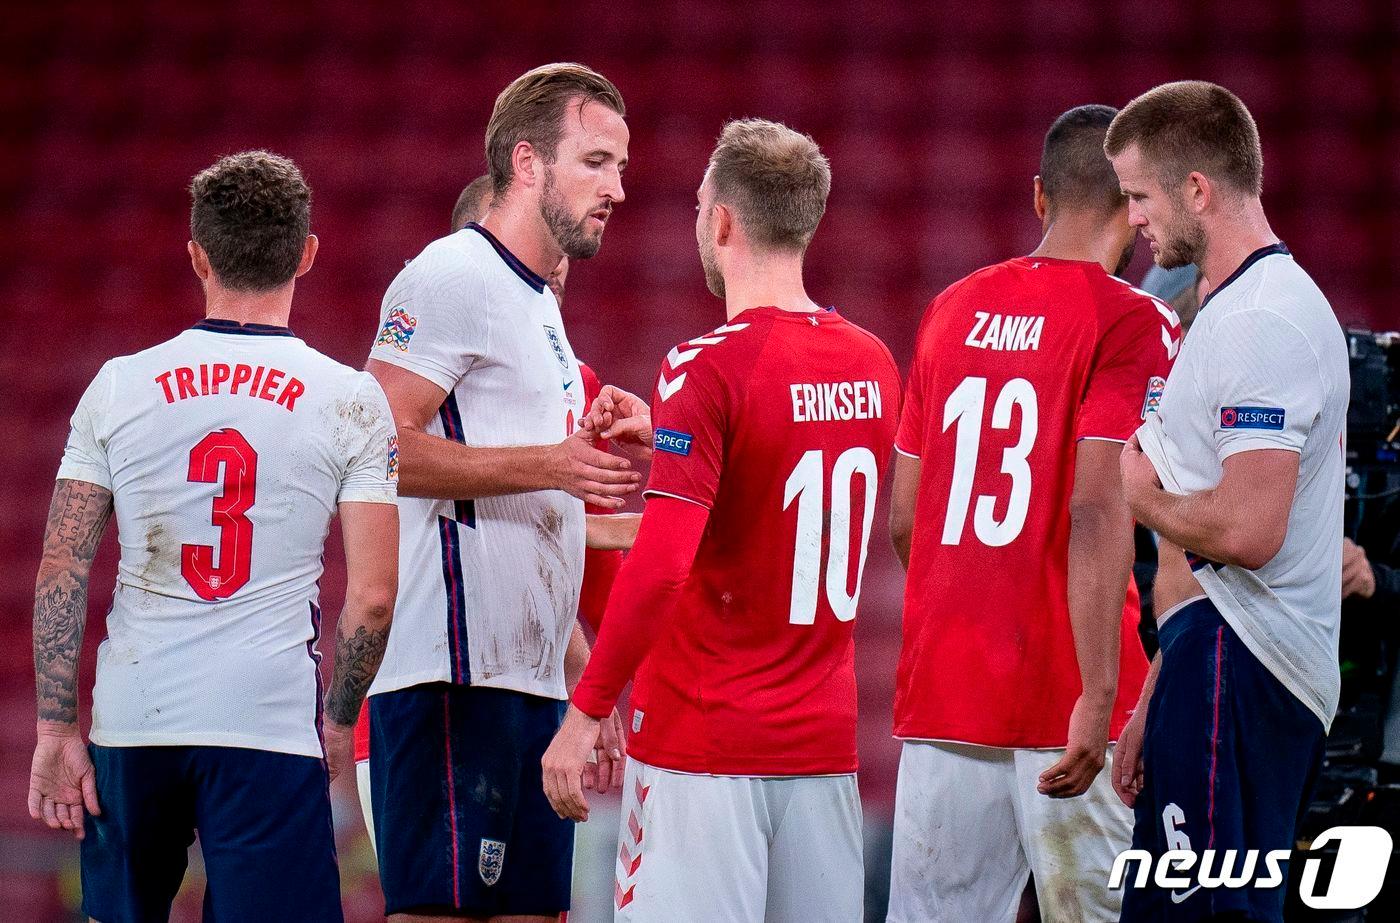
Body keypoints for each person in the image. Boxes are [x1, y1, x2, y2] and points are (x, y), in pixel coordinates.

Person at [542, 117, 901, 923]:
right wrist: (676, 440)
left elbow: (665, 562)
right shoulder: (874, 361)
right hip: (822, 751)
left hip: (703, 750)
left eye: (701, 205)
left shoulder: (705, 364)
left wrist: (586, 710)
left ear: (724, 221)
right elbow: (766, 500)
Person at [28, 150, 399, 922]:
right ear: (306, 253)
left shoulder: (120, 384)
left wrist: (57, 725)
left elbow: (63, 564)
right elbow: (371, 596)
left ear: (196, 253)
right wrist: (336, 722)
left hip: (135, 716)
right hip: (265, 723)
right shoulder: (352, 398)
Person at [884, 105, 1180, 923]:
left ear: (1039, 198)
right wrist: (1099, 687)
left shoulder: (950, 308)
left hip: (945, 693)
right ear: (1134, 205)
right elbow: (1097, 503)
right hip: (1065, 697)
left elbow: (905, 518)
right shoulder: (1135, 320)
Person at [363, 63, 639, 923]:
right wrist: (554, 464)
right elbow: (376, 450)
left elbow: (536, 506)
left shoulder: (540, 304)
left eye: (620, 167)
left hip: (526, 684)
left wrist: (580, 675)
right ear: (527, 163)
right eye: (596, 162)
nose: (618, 190)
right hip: (450, 678)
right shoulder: (452, 276)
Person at [1110, 81, 1349, 922]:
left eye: (1139, 195)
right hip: (1211, 659)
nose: (1132, 218)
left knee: (1203, 916)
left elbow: (1247, 530)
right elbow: (1216, 563)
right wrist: (1156, 693)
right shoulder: (1235, 308)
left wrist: (1138, 491)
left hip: (1243, 671)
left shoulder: (1261, 322)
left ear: (1197, 190)